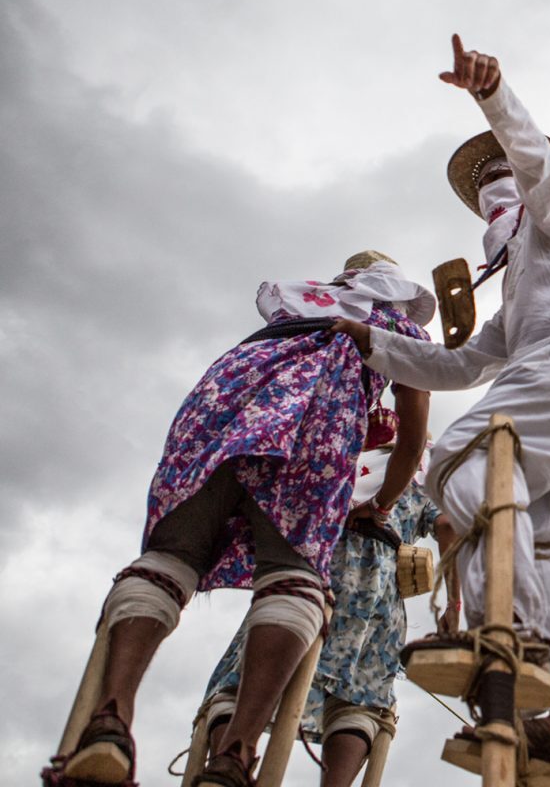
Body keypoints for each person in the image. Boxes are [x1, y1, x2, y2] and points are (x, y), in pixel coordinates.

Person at [331, 36, 550, 780]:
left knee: (456, 463)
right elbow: (462, 363)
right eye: (479, 182)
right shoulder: (518, 273)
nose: (490, 186)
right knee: (549, 543)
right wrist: (372, 346)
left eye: (498, 172)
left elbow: (538, 166)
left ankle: (508, 636)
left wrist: (494, 99)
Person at [50, 253, 433, 787]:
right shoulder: (395, 324)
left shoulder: (302, 301)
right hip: (315, 420)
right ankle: (235, 755)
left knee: (170, 558)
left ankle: (110, 718)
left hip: (219, 401)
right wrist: (383, 502)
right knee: (293, 576)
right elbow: (412, 441)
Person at [198, 408, 459, 787]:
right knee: (360, 697)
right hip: (375, 587)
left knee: (246, 674)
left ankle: (229, 763)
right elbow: (448, 526)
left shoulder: (338, 449)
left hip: (310, 564)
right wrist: (453, 605)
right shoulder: (422, 471)